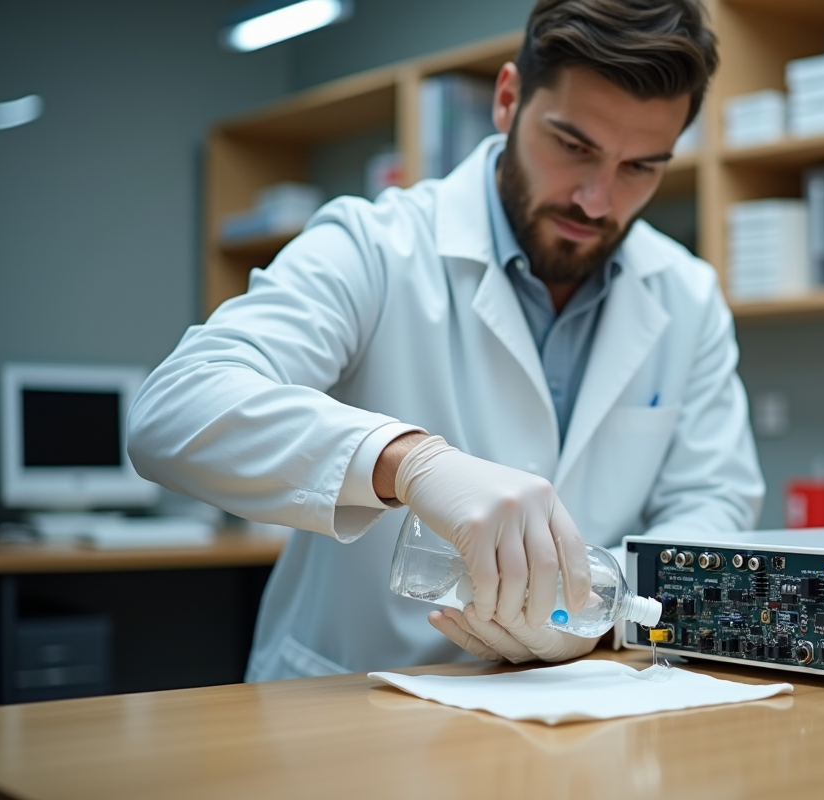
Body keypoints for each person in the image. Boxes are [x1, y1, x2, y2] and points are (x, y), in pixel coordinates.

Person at [129, 0, 763, 680]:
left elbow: (713, 505)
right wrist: (408, 463)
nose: (597, 200)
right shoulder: (376, 245)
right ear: (509, 98)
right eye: (575, 147)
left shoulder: (687, 295)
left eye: (641, 167)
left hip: (575, 711)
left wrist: (599, 619)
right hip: (354, 719)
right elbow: (174, 409)